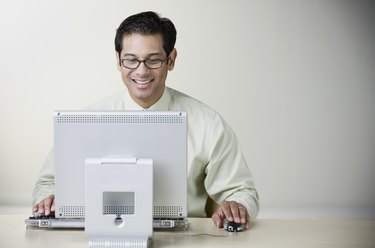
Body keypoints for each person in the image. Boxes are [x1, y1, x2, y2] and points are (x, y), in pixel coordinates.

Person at [32, 11, 259, 229]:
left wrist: (237, 205)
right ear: (118, 61)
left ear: (171, 60)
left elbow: (241, 191)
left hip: (184, 238)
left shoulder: (208, 123)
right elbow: (46, 183)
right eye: (130, 60)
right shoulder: (82, 122)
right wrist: (49, 199)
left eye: (153, 60)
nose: (141, 71)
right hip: (99, 232)